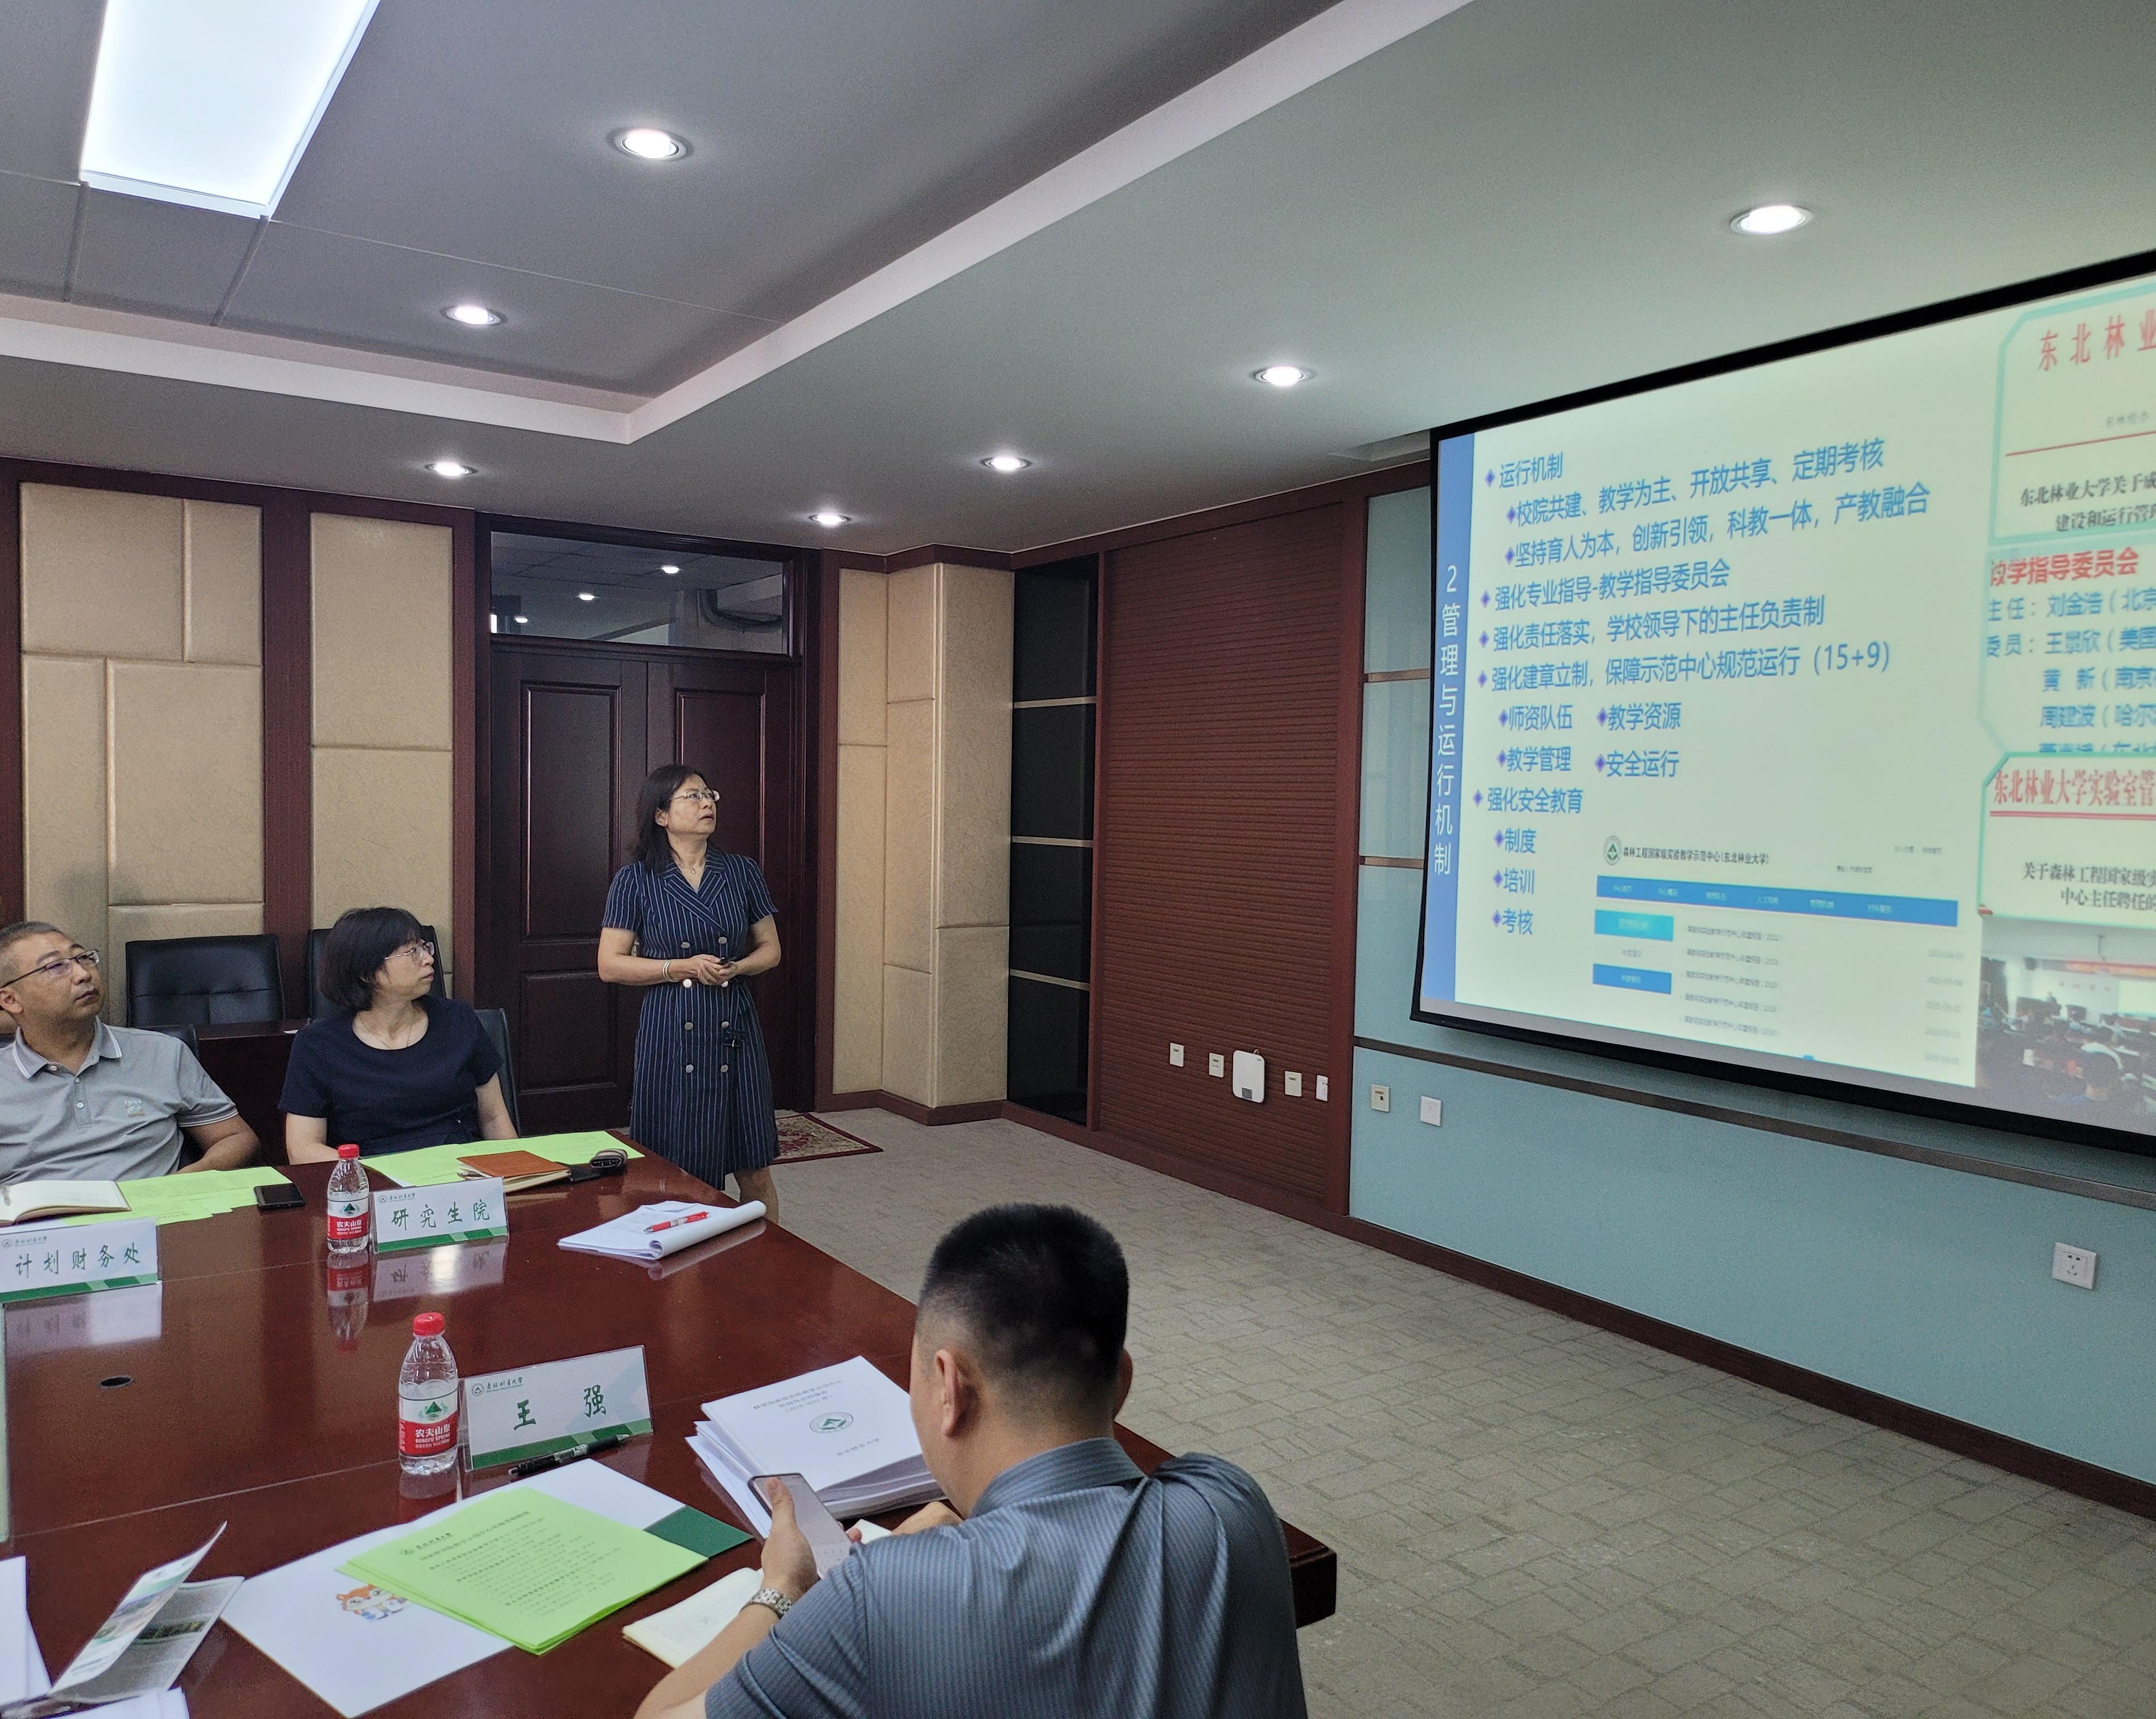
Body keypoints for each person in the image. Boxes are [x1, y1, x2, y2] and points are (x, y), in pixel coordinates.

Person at [636, 1205, 1308, 1719]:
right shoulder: (1231, 1507)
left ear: (950, 1390)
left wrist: (782, 1589)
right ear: (1121, 1384)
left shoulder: (877, 1599)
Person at [598, 765, 783, 1219]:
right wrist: (677, 967)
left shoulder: (741, 871)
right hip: (671, 1030)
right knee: (676, 1171)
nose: (707, 804)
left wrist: (736, 967)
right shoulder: (635, 879)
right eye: (693, 797)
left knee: (754, 1165)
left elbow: (771, 950)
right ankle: (683, 1259)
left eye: (709, 794)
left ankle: (765, 1257)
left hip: (733, 1028)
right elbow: (610, 964)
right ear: (661, 815)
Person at [0, 920, 258, 1182]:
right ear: (11, 999)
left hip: (153, 1205)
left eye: (84, 958)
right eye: (56, 967)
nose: (83, 974)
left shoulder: (162, 1053)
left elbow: (236, 1138)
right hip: (38, 1209)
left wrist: (185, 1181)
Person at [281, 907, 515, 1160]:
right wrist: (369, 1175)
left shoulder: (458, 1020)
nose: (428, 959)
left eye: (425, 947)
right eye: (412, 952)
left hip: (462, 1170)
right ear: (367, 972)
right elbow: (303, 1148)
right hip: (371, 1175)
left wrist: (518, 1172)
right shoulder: (318, 1044)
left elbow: (494, 1118)